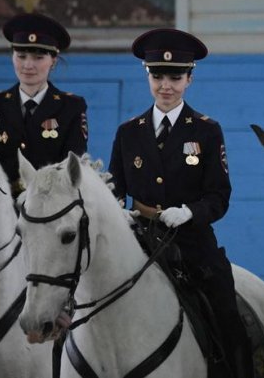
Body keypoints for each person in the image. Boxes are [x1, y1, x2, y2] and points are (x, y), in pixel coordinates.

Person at [108, 28, 252, 378]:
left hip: (191, 246)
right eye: (157, 76)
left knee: (227, 316)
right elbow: (115, 190)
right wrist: (121, 216)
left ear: (189, 78)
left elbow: (220, 197)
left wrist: (189, 212)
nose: (165, 85)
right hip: (139, 242)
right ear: (148, 77)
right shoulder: (129, 132)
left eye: (175, 77)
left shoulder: (206, 130)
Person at [0, 13, 88, 197]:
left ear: (53, 61)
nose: (28, 65)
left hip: (49, 209)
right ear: (12, 56)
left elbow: (73, 165)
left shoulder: (72, 107)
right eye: (21, 56)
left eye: (38, 58)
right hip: (1, 207)